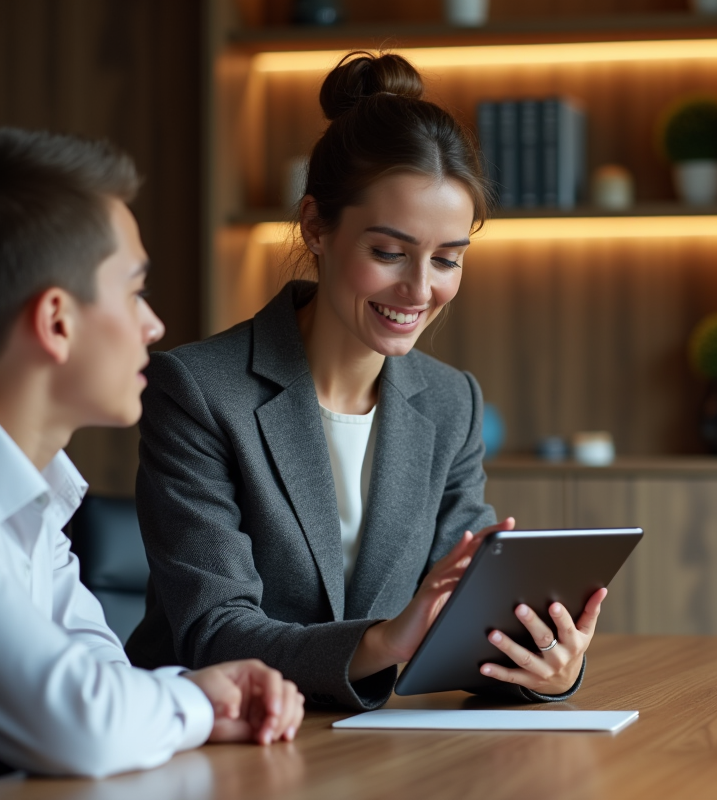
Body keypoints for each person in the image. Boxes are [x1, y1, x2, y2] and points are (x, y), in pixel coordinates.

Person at [126, 52, 607, 709]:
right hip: (213, 739)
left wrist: (545, 662)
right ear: (316, 227)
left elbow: (464, 615)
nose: (419, 289)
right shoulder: (200, 391)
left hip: (366, 748)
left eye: (446, 259)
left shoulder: (450, 401)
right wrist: (381, 644)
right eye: (388, 253)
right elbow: (213, 634)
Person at [0, 128, 306, 793]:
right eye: (134, 291)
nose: (154, 325)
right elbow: (80, 721)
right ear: (57, 322)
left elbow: (97, 679)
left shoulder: (34, 491)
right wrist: (194, 704)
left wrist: (192, 698)